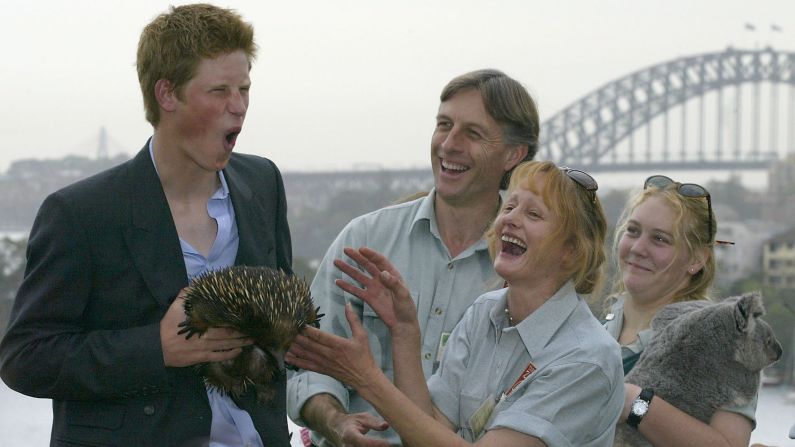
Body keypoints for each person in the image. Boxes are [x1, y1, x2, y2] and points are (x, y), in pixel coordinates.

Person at [0, 4, 292, 446]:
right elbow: (26, 358)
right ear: (167, 95)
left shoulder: (263, 182)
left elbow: (283, 325)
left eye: (245, 88)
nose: (239, 107)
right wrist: (156, 349)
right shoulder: (80, 213)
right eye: (219, 91)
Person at [287, 161, 624, 446]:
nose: (510, 219)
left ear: (571, 251)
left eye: (534, 214)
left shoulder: (587, 359)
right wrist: (404, 331)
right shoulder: (484, 312)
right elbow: (430, 425)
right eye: (509, 207)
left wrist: (366, 379)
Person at [287, 69, 539, 447]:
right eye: (443, 125)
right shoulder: (365, 239)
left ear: (513, 154)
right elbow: (304, 362)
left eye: (472, 133)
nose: (449, 144)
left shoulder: (525, 270)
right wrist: (335, 422)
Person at [605, 175, 757, 446]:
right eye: (633, 231)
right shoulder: (603, 325)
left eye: (660, 239)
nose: (638, 248)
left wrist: (634, 403)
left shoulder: (722, 336)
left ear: (697, 260)